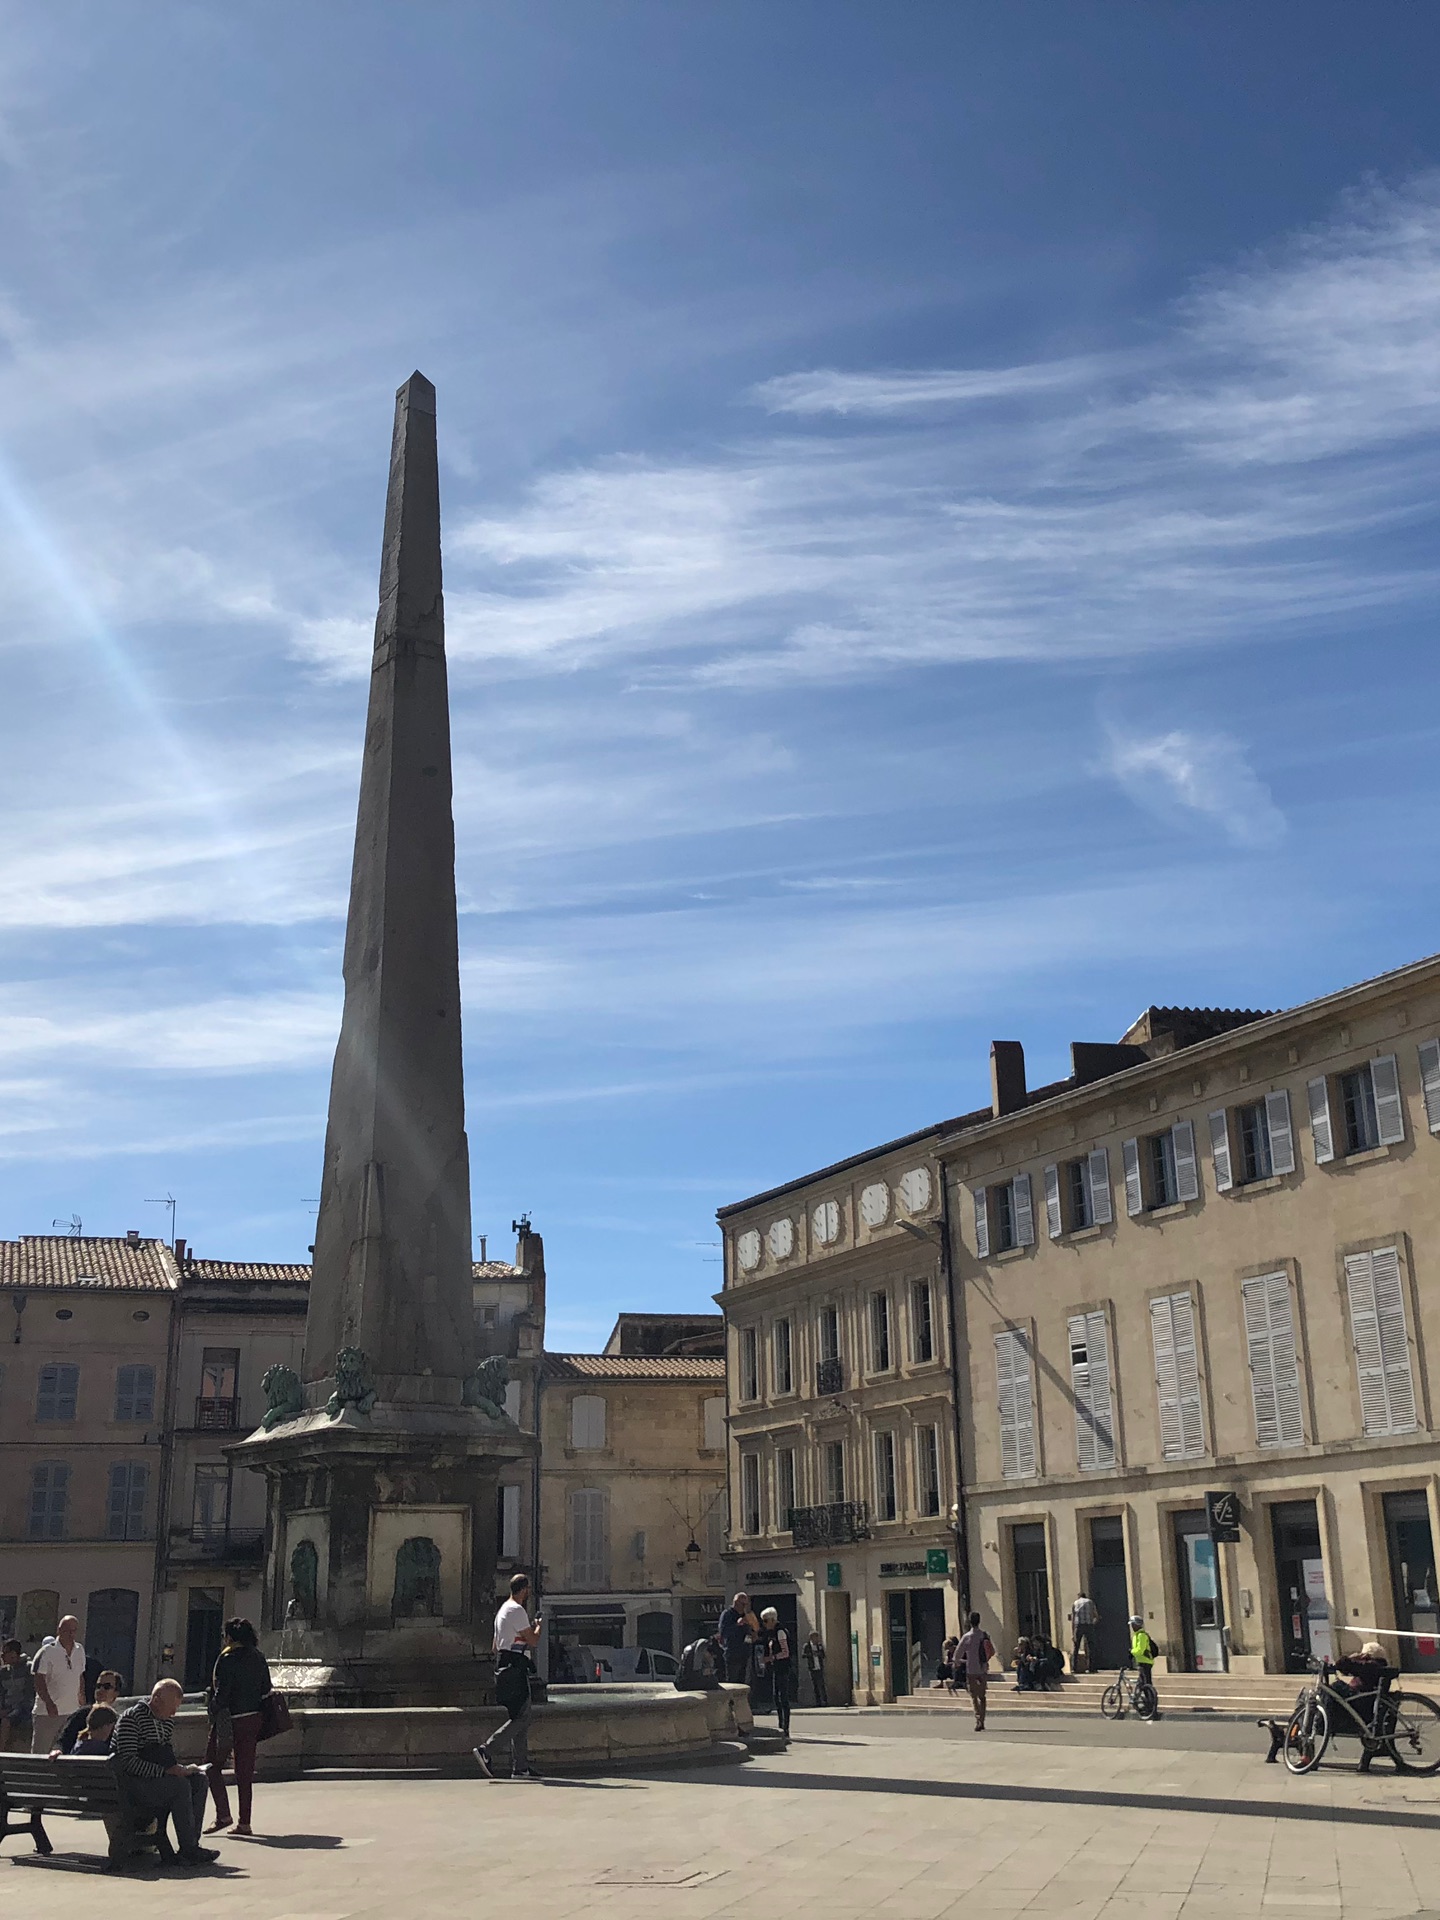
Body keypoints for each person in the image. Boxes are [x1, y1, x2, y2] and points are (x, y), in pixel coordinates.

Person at [113, 1678, 217, 1866]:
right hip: (133, 1785)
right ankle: (188, 1849)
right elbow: (127, 1762)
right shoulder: (131, 1719)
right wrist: (164, 1772)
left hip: (157, 1781)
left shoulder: (166, 1722)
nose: (174, 1713)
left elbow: (166, 1757)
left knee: (199, 1781)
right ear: (157, 1699)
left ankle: (191, 1844)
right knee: (179, 1786)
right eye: (172, 1707)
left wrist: (182, 1770)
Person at [205, 1618, 271, 1836]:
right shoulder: (258, 1656)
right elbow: (266, 1687)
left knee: (212, 1765)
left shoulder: (227, 1658)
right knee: (245, 1772)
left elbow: (222, 1695)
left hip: (230, 1720)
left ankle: (223, 1814)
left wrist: (211, 1706)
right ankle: (245, 1822)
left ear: (230, 1637)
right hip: (253, 1718)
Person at [474, 1572, 542, 1781]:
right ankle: (487, 1749)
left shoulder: (502, 1611)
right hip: (515, 1666)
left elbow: (495, 1646)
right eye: (528, 1589)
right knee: (524, 1716)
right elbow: (533, 1641)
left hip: (502, 1665)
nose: (529, 1592)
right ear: (524, 1590)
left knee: (519, 1715)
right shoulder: (517, 1610)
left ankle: (520, 1767)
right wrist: (537, 1625)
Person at [31, 1615, 86, 1753]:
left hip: (71, 1711)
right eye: (68, 1630)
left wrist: (81, 1696)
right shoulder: (47, 1652)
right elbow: (39, 1680)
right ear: (59, 1630)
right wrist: (49, 1703)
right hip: (48, 1713)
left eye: (74, 1630)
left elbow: (80, 1675)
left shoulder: (80, 1650)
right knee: (42, 1752)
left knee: (67, 1750)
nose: (71, 1634)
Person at [56, 1670, 123, 1753]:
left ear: (116, 1693)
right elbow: (64, 1739)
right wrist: (58, 1751)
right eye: (98, 1686)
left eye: (106, 1686)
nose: (100, 1690)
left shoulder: (119, 1721)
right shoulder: (81, 1714)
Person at [956, 1613, 995, 1731]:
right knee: (982, 1696)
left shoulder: (967, 1637)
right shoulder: (984, 1635)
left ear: (969, 1621)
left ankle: (978, 1719)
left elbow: (957, 1654)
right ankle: (982, 1719)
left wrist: (960, 1661)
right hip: (982, 1669)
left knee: (973, 1696)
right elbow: (992, 1651)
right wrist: (985, 1660)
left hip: (971, 1669)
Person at [758, 1608, 793, 1735]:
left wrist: (771, 1658)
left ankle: (785, 1727)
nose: (764, 1623)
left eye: (766, 1621)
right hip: (775, 1667)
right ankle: (780, 1724)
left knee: (782, 1697)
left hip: (782, 1667)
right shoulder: (771, 1633)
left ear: (773, 1620)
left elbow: (786, 1652)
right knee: (776, 1697)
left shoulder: (780, 1632)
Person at [1, 1639, 36, 1751]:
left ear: (13, 1654)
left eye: (4, 1653)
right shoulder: (3, 1672)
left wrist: (11, 1709)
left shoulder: (28, 1669)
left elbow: (29, 1695)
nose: (2, 1656)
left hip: (22, 1709)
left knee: (6, 1721)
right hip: (7, 1707)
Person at [717, 1592, 755, 1685]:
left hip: (745, 1652)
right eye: (742, 1604)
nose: (744, 1607)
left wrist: (753, 1633)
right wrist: (738, 1625)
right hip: (733, 1653)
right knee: (732, 1682)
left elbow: (750, 1632)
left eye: (746, 1604)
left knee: (743, 1683)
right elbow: (723, 1632)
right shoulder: (727, 1614)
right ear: (736, 1603)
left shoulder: (745, 1615)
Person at [1129, 1615, 1160, 1713]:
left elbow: (1140, 1650)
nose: (1132, 1627)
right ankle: (1145, 1704)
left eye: (1133, 1625)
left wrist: (1131, 1652)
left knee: (1146, 1684)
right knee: (1141, 1684)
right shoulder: (1136, 1635)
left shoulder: (1142, 1635)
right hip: (1141, 1662)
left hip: (1146, 1662)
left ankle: (1150, 1706)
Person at [1069, 1592, 1099, 1674]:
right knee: (1091, 1646)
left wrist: (1073, 1633)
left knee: (1076, 1646)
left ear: (1079, 1596)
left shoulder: (1075, 1603)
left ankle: (1074, 1668)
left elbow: (1073, 1618)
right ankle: (1091, 1668)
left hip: (1079, 1625)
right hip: (1089, 1625)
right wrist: (1093, 1623)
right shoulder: (1090, 1602)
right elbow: (1096, 1615)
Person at [802, 1630, 828, 1707]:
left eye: (817, 1637)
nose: (816, 1639)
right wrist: (811, 1654)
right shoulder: (807, 1646)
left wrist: (819, 1654)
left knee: (822, 1685)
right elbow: (803, 1655)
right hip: (812, 1668)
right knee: (815, 1686)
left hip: (819, 1667)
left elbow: (823, 1655)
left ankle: (825, 1701)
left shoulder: (819, 1646)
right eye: (815, 1637)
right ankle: (818, 1702)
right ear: (811, 1638)